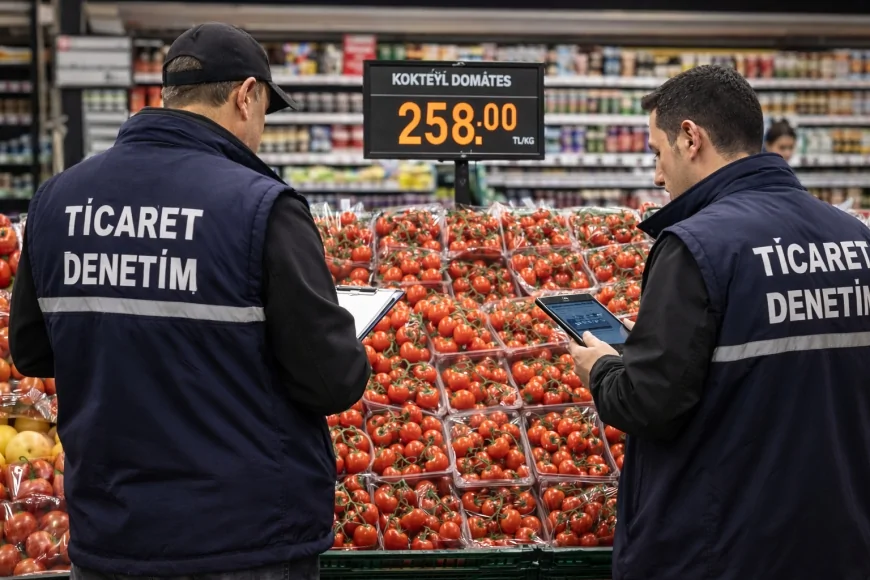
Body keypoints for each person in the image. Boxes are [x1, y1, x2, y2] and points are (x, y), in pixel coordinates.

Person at [9, 22, 370, 580]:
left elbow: (33, 353)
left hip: (111, 534)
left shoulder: (58, 199)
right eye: (264, 114)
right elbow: (332, 381)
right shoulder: (263, 207)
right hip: (244, 542)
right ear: (245, 95)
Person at [570, 65, 870, 580]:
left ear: (690, 138)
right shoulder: (856, 240)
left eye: (656, 153)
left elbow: (649, 402)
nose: (657, 176)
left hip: (724, 548)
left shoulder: (696, 244)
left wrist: (600, 369)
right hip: (842, 540)